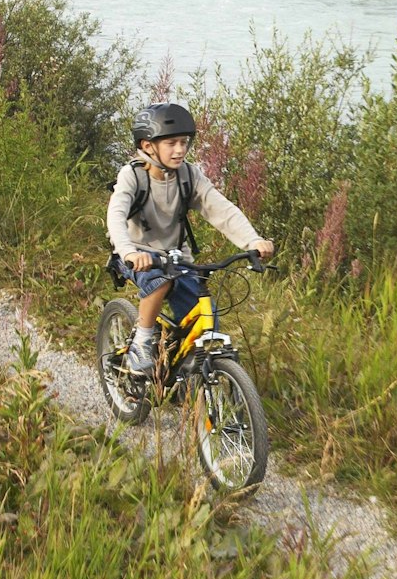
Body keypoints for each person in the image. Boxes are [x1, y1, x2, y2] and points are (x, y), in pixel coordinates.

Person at [106, 102, 274, 375]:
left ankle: (191, 377)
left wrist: (252, 241)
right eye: (171, 143)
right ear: (148, 146)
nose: (180, 149)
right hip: (137, 253)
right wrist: (127, 252)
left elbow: (220, 208)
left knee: (207, 322)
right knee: (160, 283)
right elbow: (116, 214)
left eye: (184, 142)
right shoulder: (133, 176)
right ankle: (141, 342)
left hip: (175, 256)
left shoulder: (188, 175)